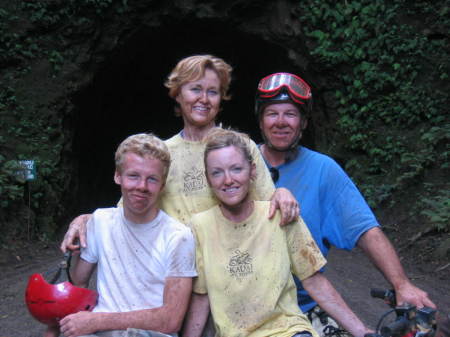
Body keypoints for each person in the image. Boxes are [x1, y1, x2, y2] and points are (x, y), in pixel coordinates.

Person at [255, 72, 436, 333]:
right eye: (272, 113)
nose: (281, 122)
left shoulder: (323, 170)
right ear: (261, 121)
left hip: (302, 306)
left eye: (291, 114)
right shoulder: (240, 162)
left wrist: (401, 284)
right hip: (243, 303)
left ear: (304, 122)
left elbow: (364, 229)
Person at [60, 55, 299, 254]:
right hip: (174, 269)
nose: (203, 99)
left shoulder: (240, 146)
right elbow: (127, 209)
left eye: (213, 92)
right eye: (195, 89)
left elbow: (267, 205)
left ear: (221, 98)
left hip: (228, 268)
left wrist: (282, 191)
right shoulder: (161, 154)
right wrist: (86, 220)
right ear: (178, 94)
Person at [182, 128, 371, 337]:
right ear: (208, 179)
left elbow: (314, 280)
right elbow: (201, 295)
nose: (228, 180)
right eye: (217, 172)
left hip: (289, 330)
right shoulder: (200, 227)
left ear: (252, 171)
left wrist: (363, 332)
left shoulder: (279, 215)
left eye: (236, 169)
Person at [46, 133, 197, 337]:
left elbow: (171, 320)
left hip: (150, 333)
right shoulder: (100, 221)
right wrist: (54, 329)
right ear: (118, 176)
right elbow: (77, 285)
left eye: (152, 179)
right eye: (133, 176)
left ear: (162, 185)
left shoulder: (178, 236)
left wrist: (96, 320)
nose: (142, 186)